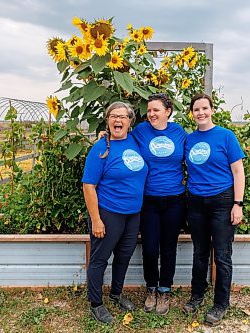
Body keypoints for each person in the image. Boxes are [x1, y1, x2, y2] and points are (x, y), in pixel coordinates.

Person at [182, 93, 246, 326]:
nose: (200, 113)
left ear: (212, 110)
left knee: (221, 254)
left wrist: (237, 204)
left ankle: (221, 303)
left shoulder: (226, 136)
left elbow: (238, 172)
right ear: (192, 113)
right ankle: (197, 295)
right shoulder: (188, 139)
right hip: (196, 202)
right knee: (199, 252)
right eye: (196, 109)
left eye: (204, 108)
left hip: (222, 201)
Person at [82, 101, 148, 324]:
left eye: (123, 117)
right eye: (113, 116)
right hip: (109, 212)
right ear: (107, 120)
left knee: (124, 255)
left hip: (133, 213)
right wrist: (96, 220)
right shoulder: (100, 148)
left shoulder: (135, 141)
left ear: (130, 122)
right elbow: (88, 186)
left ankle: (116, 293)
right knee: (100, 258)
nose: (118, 120)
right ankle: (96, 303)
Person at [131, 93, 187, 315]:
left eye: (156, 110)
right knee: (151, 248)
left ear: (168, 111)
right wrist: (104, 135)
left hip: (175, 199)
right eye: (149, 110)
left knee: (169, 247)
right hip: (149, 199)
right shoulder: (141, 131)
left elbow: (194, 154)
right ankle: (151, 288)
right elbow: (122, 140)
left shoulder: (179, 132)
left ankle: (165, 290)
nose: (151, 114)